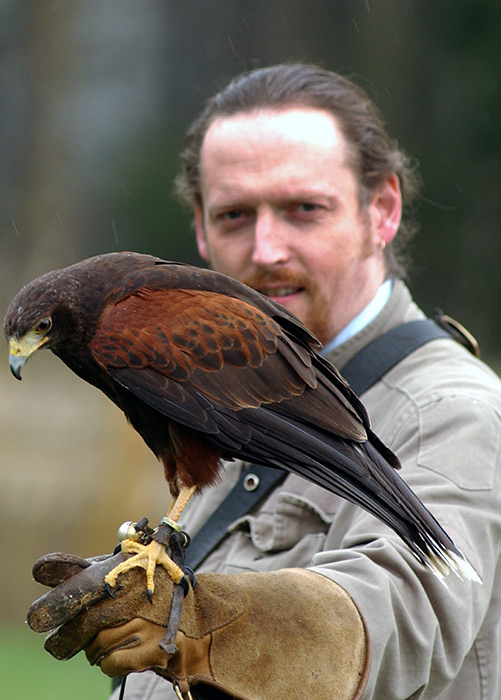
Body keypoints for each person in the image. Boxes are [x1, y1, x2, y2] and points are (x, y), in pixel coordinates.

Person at [29, 63, 501, 699]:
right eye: (234, 215)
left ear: (382, 209)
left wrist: (212, 633)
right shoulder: (200, 363)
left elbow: (405, 614)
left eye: (304, 208)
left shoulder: (447, 410)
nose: (267, 248)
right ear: (198, 225)